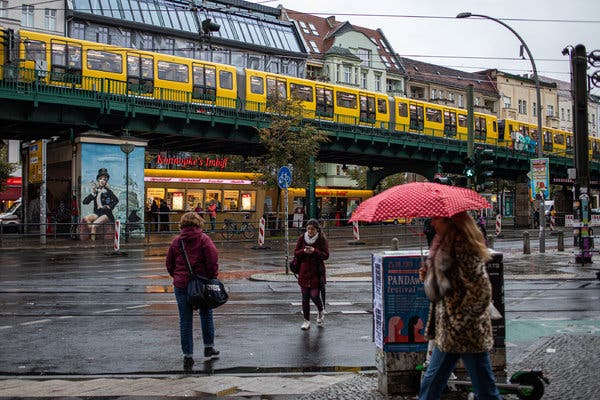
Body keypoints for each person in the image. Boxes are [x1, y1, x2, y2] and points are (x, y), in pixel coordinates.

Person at [417, 211, 501, 400]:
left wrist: (460, 321)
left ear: (450, 221)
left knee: (485, 391)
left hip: (466, 332)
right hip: (449, 331)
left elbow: (482, 291)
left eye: (436, 218)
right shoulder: (443, 244)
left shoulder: (464, 246)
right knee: (431, 383)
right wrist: (429, 276)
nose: (432, 221)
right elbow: (442, 290)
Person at [165, 212, 220, 372]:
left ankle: (188, 356)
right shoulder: (204, 240)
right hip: (202, 284)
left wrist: (178, 276)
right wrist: (210, 277)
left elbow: (169, 264)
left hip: (182, 286)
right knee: (206, 313)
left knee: (185, 320)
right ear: (199, 224)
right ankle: (208, 348)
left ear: (182, 225)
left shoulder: (176, 242)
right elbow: (213, 260)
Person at [293, 219, 329, 330]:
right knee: (305, 298)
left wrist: (314, 251)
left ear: (317, 229)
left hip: (316, 272)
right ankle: (306, 320)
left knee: (314, 296)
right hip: (304, 272)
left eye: (312, 229)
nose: (309, 231)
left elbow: (326, 255)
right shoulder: (301, 238)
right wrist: (304, 251)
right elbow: (296, 253)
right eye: (308, 228)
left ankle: (320, 310)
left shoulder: (321, 240)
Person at [82, 168, 119, 240]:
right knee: (86, 219)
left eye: (105, 179)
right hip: (97, 213)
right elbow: (85, 202)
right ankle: (94, 233)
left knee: (94, 226)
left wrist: (109, 206)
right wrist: (93, 194)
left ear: (106, 181)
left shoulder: (108, 191)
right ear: (98, 180)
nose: (102, 180)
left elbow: (116, 200)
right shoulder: (96, 191)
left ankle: (92, 243)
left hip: (106, 214)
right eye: (101, 178)